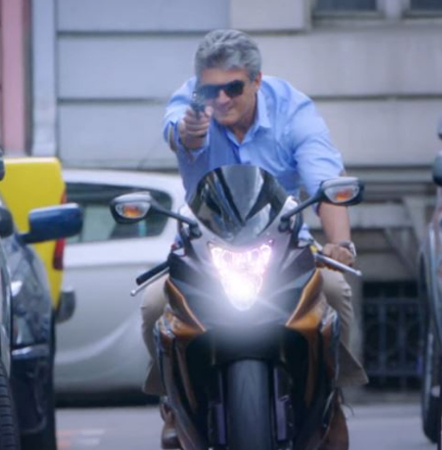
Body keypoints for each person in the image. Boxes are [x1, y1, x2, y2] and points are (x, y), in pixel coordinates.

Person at [143, 29, 368, 450]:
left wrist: (340, 244)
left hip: (283, 249)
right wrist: (191, 131)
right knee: (155, 303)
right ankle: (173, 402)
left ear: (257, 80)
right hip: (203, 251)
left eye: (233, 88)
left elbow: (326, 183)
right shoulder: (191, 105)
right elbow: (179, 131)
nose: (221, 99)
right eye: (210, 90)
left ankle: (332, 398)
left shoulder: (293, 109)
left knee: (335, 290)